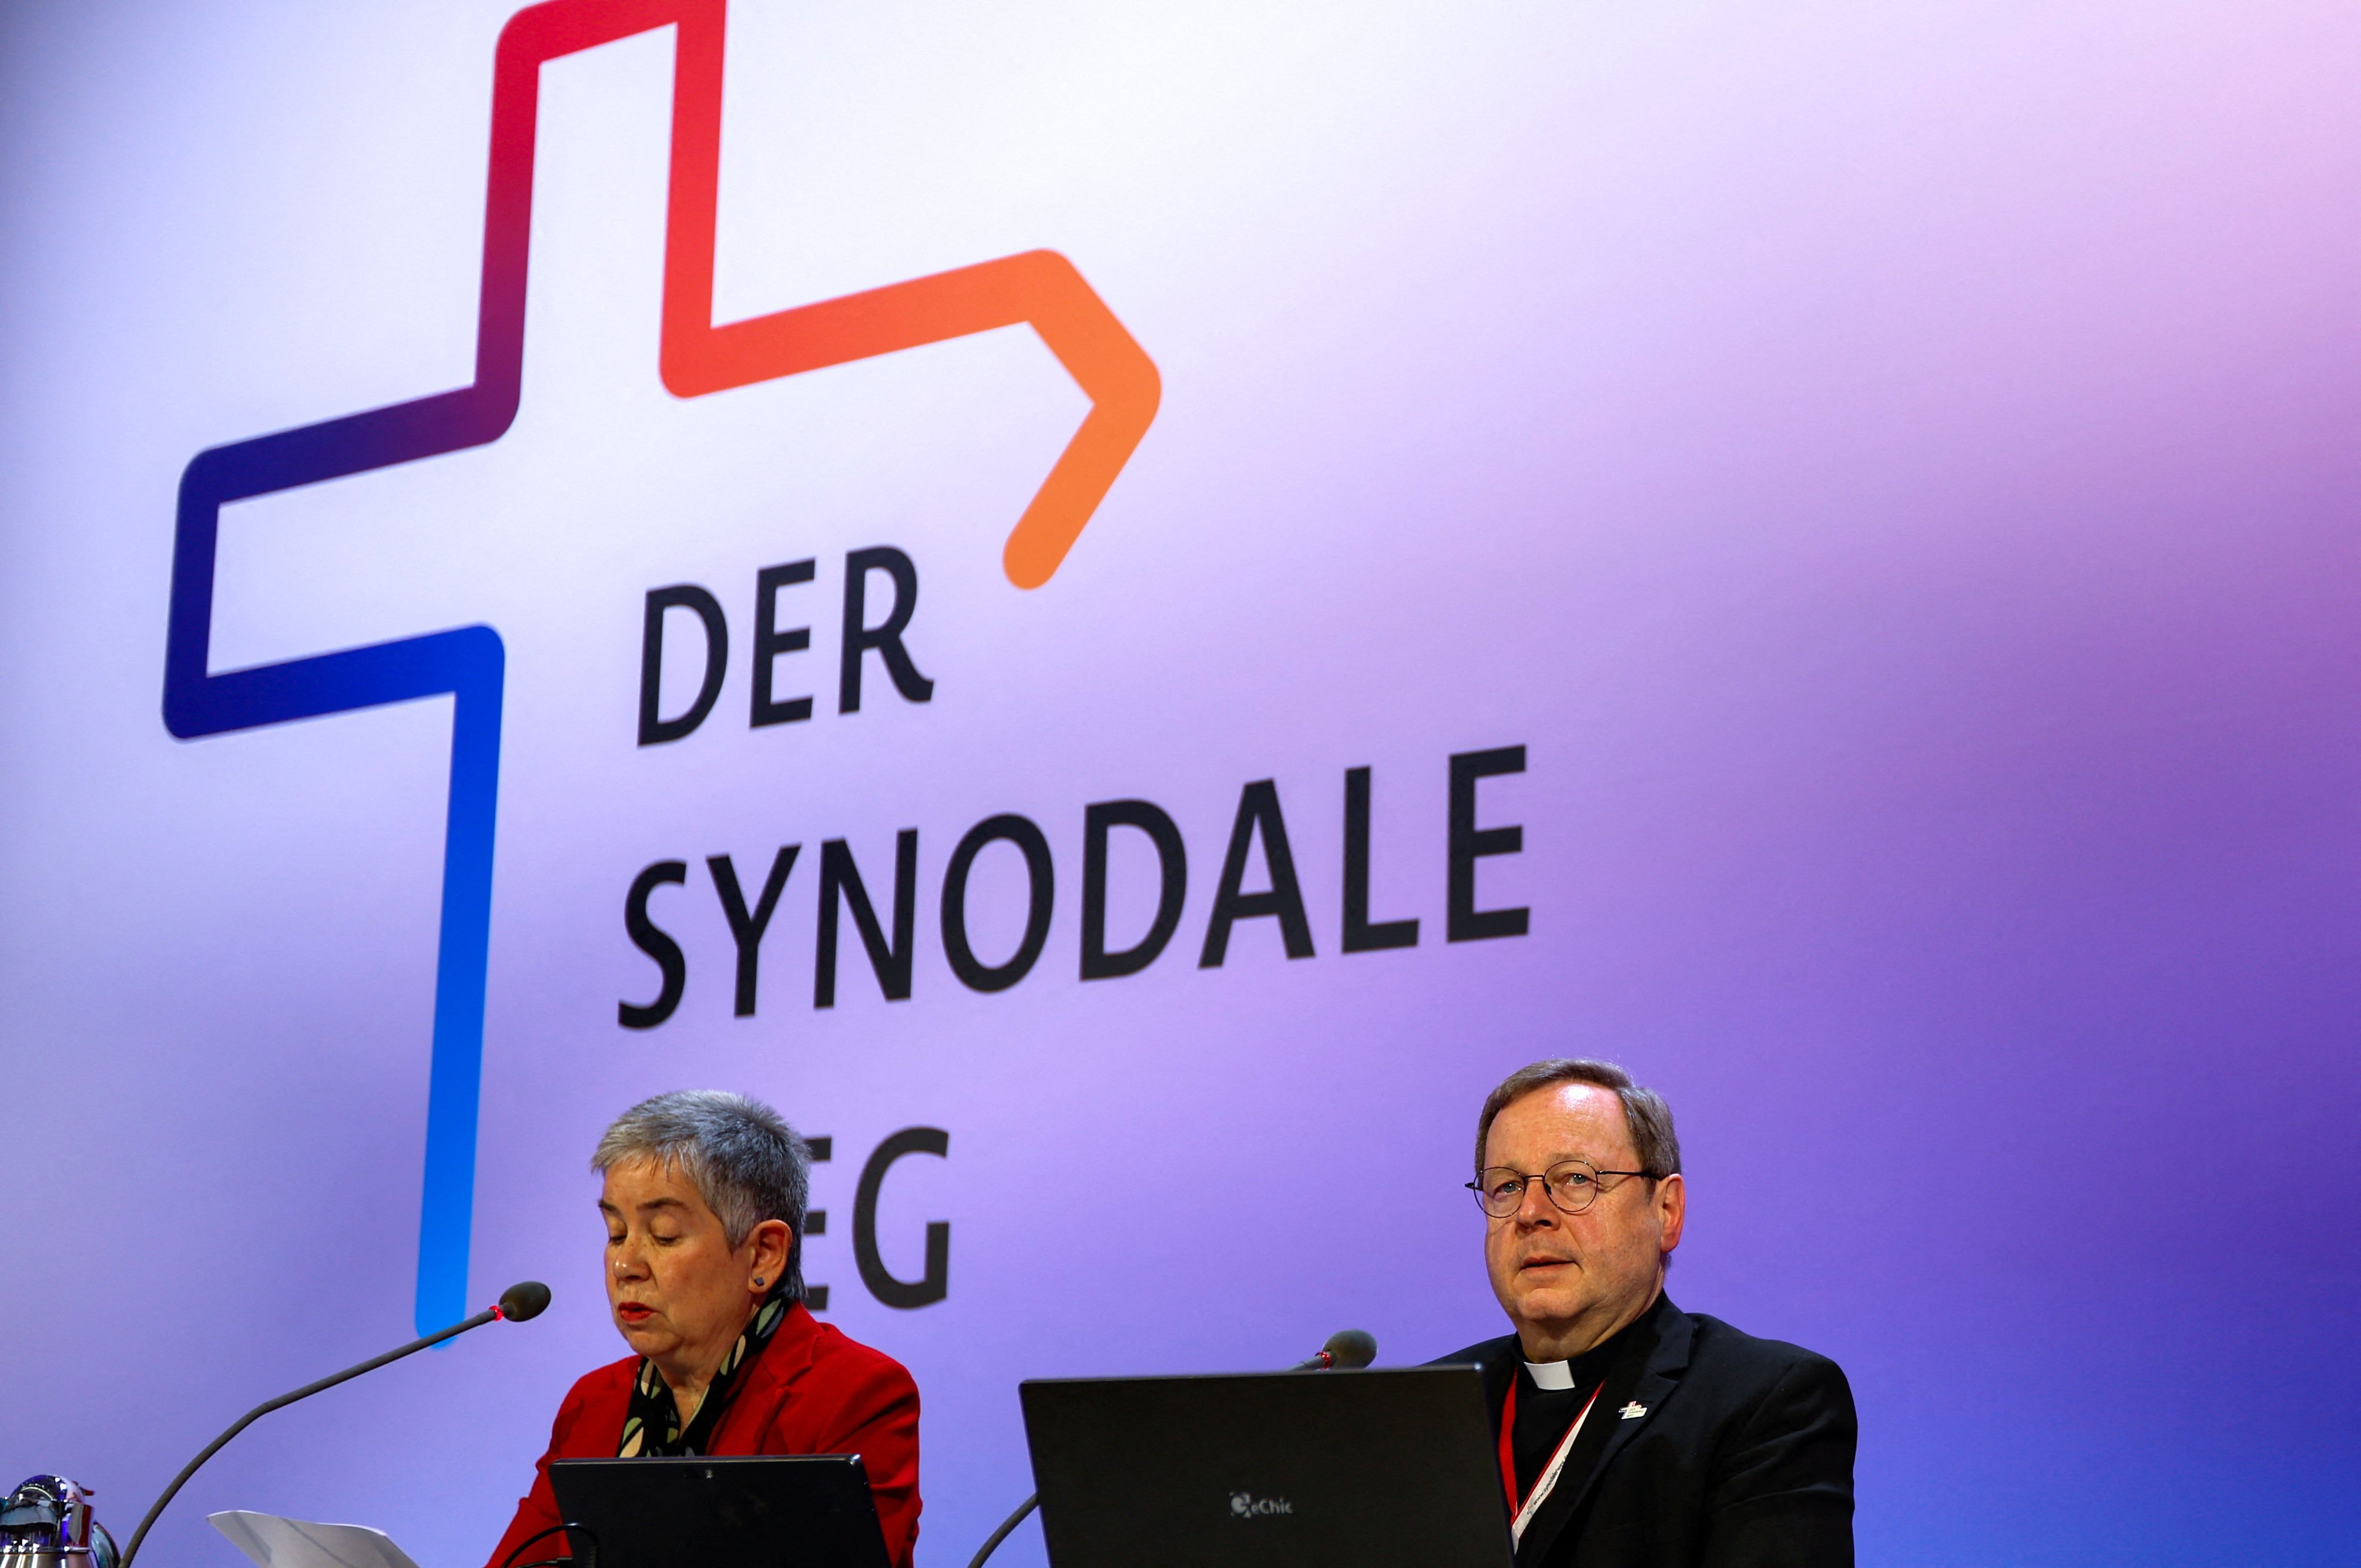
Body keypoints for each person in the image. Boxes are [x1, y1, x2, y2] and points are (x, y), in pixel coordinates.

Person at [1434, 1059, 1854, 1568]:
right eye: (1506, 1186)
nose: (1531, 1213)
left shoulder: (1766, 1400)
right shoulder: (1428, 1408)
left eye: (1574, 1178)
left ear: (1667, 1211)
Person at [484, 1092, 921, 1568]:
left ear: (764, 1254)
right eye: (616, 1232)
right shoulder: (594, 1404)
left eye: (664, 1234)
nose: (626, 1264)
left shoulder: (853, 1394)